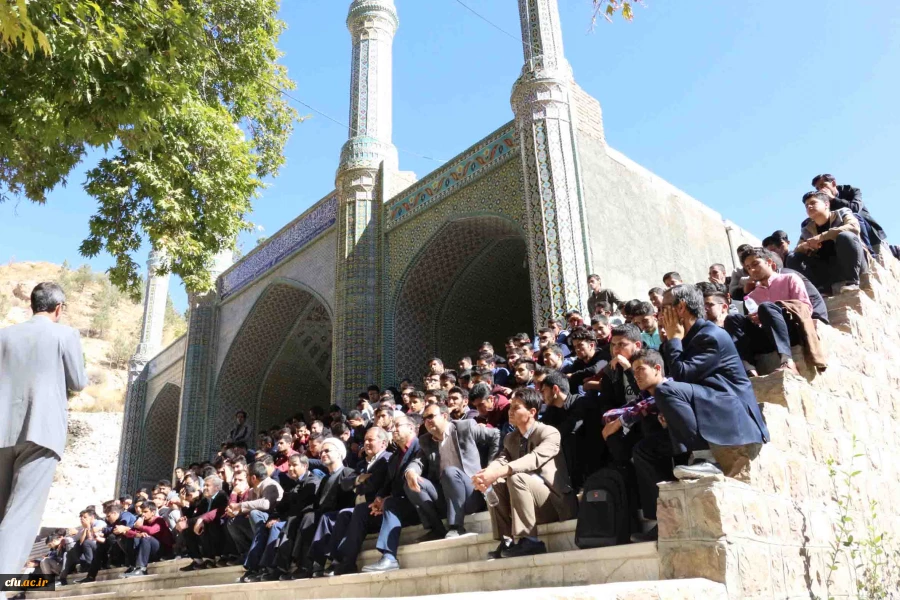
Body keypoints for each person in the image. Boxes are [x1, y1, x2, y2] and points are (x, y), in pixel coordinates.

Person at [0, 282, 87, 577]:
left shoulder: (5, 336)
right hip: (42, 431)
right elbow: (78, 381)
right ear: (59, 308)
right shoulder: (65, 334)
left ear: (32, 305)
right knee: (21, 514)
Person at [656, 285, 769, 482]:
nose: (659, 315)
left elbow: (681, 376)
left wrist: (673, 339)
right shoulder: (688, 338)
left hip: (733, 408)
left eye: (663, 308)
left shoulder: (709, 335)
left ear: (681, 308)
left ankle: (706, 459)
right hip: (711, 400)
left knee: (666, 389)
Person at [473, 388, 578, 558]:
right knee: (495, 482)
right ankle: (506, 540)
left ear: (532, 412)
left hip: (553, 503)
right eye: (510, 407)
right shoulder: (510, 438)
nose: (511, 411)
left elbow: (533, 459)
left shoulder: (549, 432)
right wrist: (486, 475)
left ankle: (530, 540)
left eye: (516, 407)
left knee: (517, 477)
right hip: (526, 504)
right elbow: (502, 459)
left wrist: (499, 471)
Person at [403, 404, 500, 542]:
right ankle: (437, 529)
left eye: (431, 416)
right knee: (411, 483)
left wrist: (491, 467)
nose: (427, 421)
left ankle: (456, 526)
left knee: (450, 472)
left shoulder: (464, 427)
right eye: (425, 418)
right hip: (445, 496)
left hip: (472, 493)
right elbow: (418, 460)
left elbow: (496, 435)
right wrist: (411, 471)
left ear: (444, 416)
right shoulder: (426, 440)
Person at [358, 414, 423, 574]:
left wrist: (388, 499)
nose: (393, 429)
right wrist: (379, 498)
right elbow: (388, 483)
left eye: (398, 425)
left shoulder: (421, 447)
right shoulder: (395, 457)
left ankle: (389, 557)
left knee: (391, 504)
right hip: (398, 504)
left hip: (420, 502)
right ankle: (343, 561)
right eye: (393, 426)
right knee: (362, 510)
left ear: (411, 428)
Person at [788, 191, 867, 295]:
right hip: (828, 271)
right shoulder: (807, 229)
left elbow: (853, 227)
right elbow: (798, 249)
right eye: (806, 205)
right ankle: (819, 290)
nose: (809, 207)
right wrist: (807, 245)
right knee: (792, 257)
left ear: (826, 204)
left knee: (845, 236)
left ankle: (852, 282)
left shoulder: (842, 213)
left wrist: (821, 237)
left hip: (852, 263)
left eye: (813, 203)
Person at [812, 173, 887, 255]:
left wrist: (833, 199)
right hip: (846, 237)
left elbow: (855, 208)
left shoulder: (851, 191)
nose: (820, 190)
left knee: (855, 216)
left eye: (823, 185)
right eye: (817, 188)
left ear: (833, 183)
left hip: (870, 234)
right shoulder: (825, 203)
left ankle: (870, 253)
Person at [121, 501, 175, 577]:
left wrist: (140, 527)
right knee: (132, 538)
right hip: (150, 552)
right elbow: (128, 533)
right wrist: (137, 534)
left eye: (146, 512)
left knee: (146, 538)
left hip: (163, 551)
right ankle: (133, 566)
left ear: (153, 512)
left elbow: (152, 530)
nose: (143, 514)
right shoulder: (143, 521)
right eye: (142, 512)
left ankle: (141, 569)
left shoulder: (159, 520)